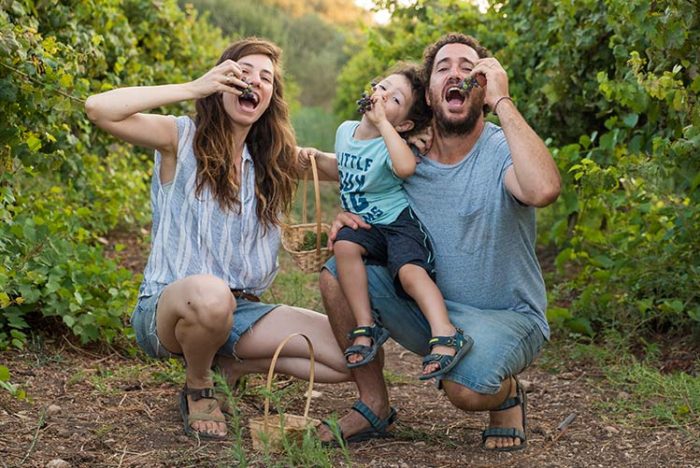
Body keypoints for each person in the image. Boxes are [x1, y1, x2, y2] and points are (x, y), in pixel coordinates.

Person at [85, 38, 350, 440]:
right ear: (221, 83)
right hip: (170, 309)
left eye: (266, 79)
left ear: (270, 99)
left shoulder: (274, 158)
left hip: (239, 311)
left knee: (350, 356)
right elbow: (98, 108)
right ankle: (198, 384)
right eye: (243, 73)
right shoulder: (180, 138)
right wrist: (195, 86)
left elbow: (353, 170)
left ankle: (231, 366)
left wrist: (401, 138)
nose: (254, 83)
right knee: (211, 296)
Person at [317, 33, 561, 451]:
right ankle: (373, 404)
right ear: (429, 96)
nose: (457, 74)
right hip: (433, 316)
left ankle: (507, 394)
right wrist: (350, 216)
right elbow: (352, 181)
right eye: (444, 67)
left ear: (481, 88)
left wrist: (503, 101)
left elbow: (542, 190)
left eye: (469, 68)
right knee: (337, 270)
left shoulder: (501, 149)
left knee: (464, 390)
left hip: (506, 316)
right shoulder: (406, 158)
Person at [329, 63, 472, 381]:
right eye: (382, 87)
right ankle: (365, 327)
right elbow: (345, 174)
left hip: (397, 224)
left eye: (394, 100)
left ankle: (446, 331)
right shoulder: (343, 131)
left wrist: (386, 127)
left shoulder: (391, 142)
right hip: (367, 226)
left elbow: (406, 167)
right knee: (344, 247)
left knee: (410, 272)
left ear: (405, 123)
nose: (382, 96)